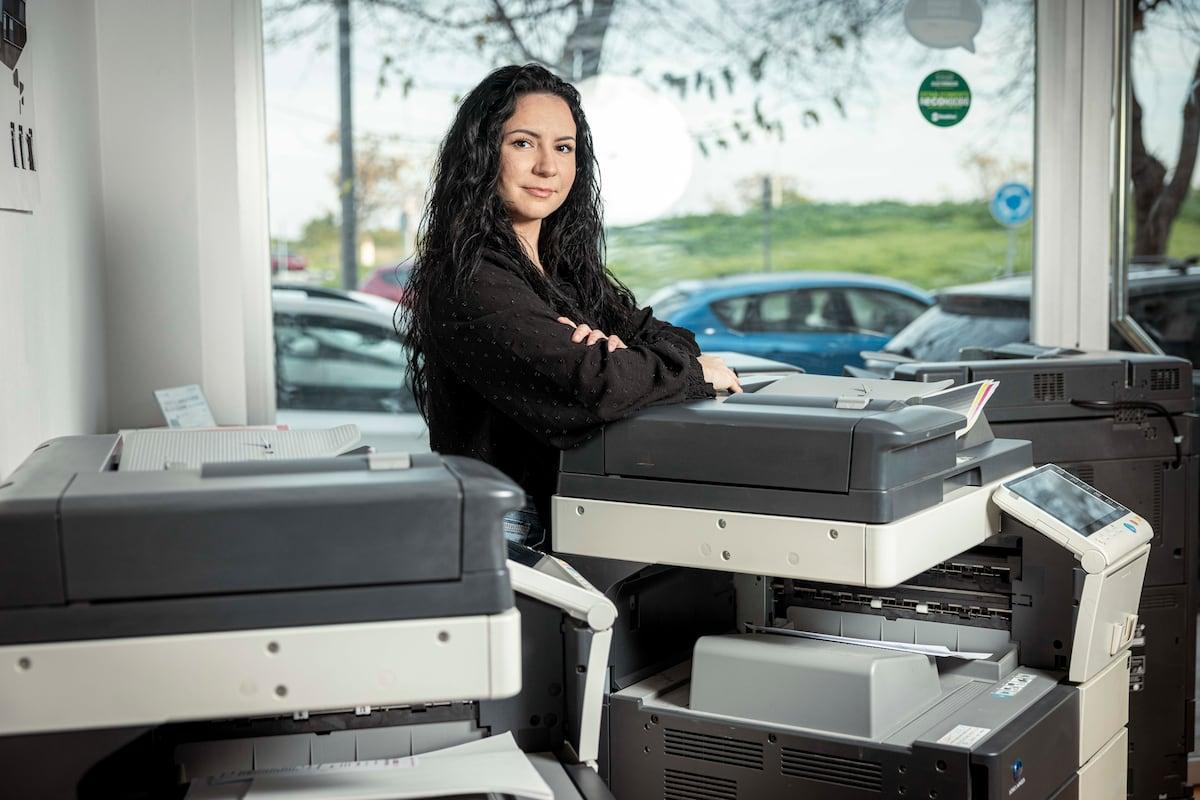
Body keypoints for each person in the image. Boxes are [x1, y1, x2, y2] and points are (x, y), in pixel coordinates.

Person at [401, 64, 741, 547]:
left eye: (564, 147)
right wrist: (671, 372)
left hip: (572, 511)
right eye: (523, 143)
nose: (548, 167)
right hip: (507, 532)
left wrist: (620, 357)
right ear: (481, 154)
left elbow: (672, 337)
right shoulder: (472, 279)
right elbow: (595, 385)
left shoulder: (565, 271)